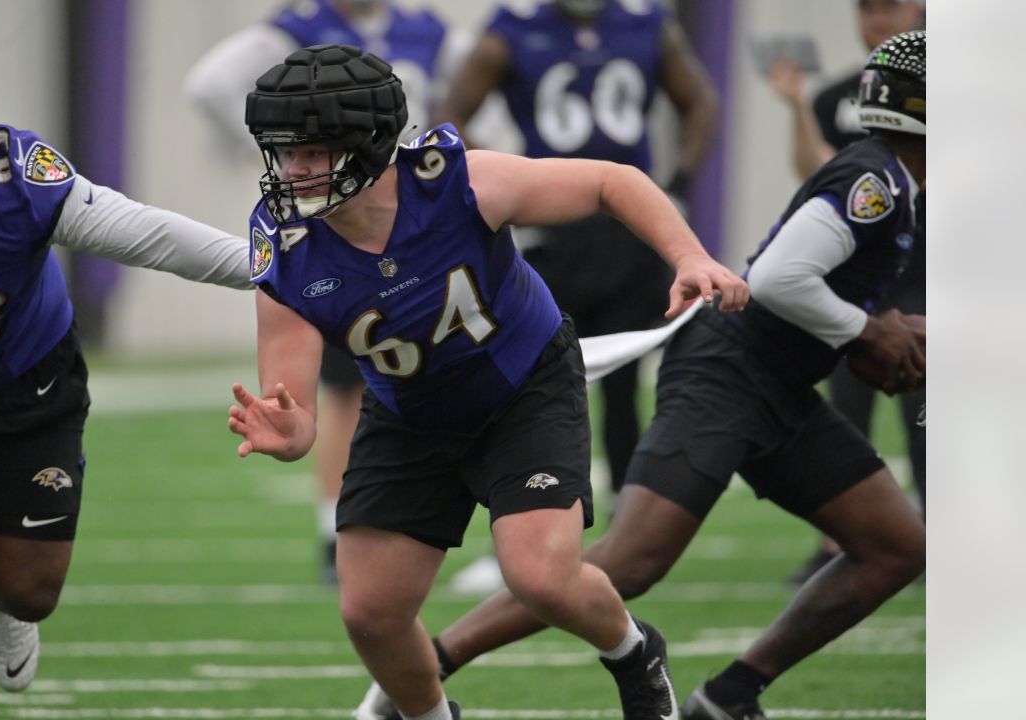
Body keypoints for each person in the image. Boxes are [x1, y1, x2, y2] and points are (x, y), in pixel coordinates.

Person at [359, 31, 927, 720]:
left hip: (779, 381)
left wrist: (879, 330)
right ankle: (431, 666)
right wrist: (869, 330)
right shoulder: (877, 182)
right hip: (731, 370)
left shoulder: (898, 180)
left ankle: (730, 696)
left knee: (895, 547)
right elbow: (778, 278)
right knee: (630, 559)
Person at [228, 44, 748, 719]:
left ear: (367, 143)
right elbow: (291, 398)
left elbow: (611, 182)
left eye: (310, 151)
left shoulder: (455, 183)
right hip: (409, 412)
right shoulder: (287, 247)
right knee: (371, 612)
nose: (291, 171)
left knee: (542, 579)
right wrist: (291, 430)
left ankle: (632, 651)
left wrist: (688, 256)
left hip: (521, 390)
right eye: (283, 152)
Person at [0, 28, 251, 720]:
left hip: (26, 385)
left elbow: (146, 233)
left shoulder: (11, 179)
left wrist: (267, 267)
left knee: (27, 590)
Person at [186, 0, 491, 584]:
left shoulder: (427, 32)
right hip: (342, 226)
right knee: (343, 381)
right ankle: (337, 527)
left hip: (419, 216)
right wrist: (297, 162)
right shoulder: (297, 30)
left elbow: (478, 98)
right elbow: (208, 86)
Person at [432, 0, 719, 593]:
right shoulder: (510, 31)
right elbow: (451, 114)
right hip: (550, 229)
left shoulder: (644, 24)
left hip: (626, 227)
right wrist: (508, 179)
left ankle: (627, 536)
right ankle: (513, 536)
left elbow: (700, 101)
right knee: (527, 383)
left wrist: (682, 177)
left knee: (621, 387)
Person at [767, 0, 925, 583]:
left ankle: (935, 532)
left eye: (892, 7)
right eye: (868, 9)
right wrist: (797, 105)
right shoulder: (842, 99)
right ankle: (839, 541)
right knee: (844, 412)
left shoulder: (953, 88)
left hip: (924, 273)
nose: (877, 20)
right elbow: (825, 175)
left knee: (928, 416)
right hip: (860, 285)